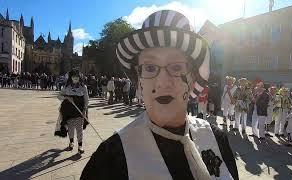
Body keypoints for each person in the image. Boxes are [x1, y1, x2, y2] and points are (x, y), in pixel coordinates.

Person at [81, 10, 238, 180]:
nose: (163, 82)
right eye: (149, 67)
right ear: (139, 80)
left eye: (177, 67)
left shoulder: (217, 139)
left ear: (193, 79)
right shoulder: (110, 160)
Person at [55, 69, 89, 154]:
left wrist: (84, 110)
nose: (75, 78)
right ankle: (71, 142)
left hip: (79, 111)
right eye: (74, 77)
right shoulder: (66, 87)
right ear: (71, 78)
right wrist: (66, 97)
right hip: (68, 111)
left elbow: (86, 100)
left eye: (77, 76)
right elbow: (59, 96)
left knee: (79, 129)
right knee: (70, 129)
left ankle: (80, 146)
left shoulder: (83, 87)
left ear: (79, 77)